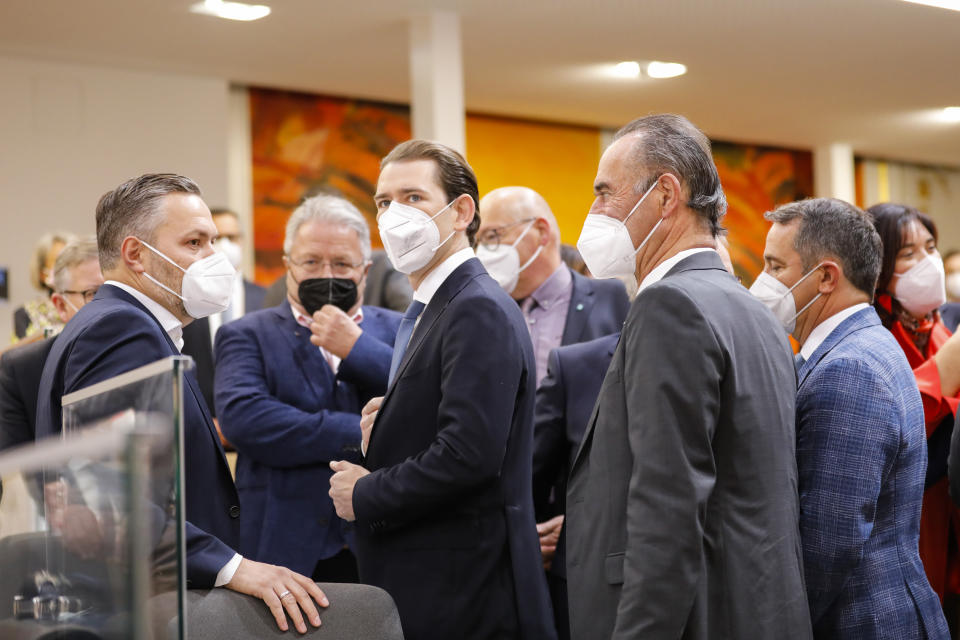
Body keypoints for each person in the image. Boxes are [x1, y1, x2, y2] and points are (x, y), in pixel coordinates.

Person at [34, 174, 328, 634]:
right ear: (136, 255)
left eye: (214, 240)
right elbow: (117, 497)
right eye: (195, 242)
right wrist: (234, 567)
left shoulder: (123, 324)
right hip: (141, 606)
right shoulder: (121, 329)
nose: (214, 257)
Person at [565, 114, 811, 639]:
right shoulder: (752, 310)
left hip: (694, 617)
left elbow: (668, 506)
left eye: (605, 193)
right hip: (756, 608)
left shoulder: (668, 305)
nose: (594, 212)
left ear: (665, 194)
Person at [327, 140, 555, 640]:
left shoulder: (475, 307)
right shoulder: (439, 306)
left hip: (466, 591)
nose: (393, 216)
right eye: (384, 202)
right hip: (439, 583)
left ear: (461, 212)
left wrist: (364, 491)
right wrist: (389, 427)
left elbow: (468, 456)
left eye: (413, 198)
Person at [753, 198, 948, 637]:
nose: (763, 282)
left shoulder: (850, 368)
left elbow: (829, 543)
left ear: (825, 276)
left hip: (864, 621)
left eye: (775, 266)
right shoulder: (856, 347)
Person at [214, 194, 400, 582]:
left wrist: (358, 349)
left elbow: (425, 399)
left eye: (342, 263)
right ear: (288, 266)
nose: (327, 273)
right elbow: (247, 421)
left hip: (385, 539)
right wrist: (366, 430)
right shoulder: (245, 334)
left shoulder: (404, 330)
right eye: (312, 262)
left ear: (365, 270)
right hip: (283, 549)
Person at [866, 203, 960, 606]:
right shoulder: (870, 338)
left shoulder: (940, 328)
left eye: (931, 247)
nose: (928, 262)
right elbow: (901, 423)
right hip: (904, 527)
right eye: (908, 253)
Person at [475, 186, 629, 385]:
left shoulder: (614, 298)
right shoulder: (486, 311)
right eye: (477, 241)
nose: (482, 250)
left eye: (492, 236)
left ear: (541, 232)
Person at [181, 207, 266, 420]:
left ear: (242, 241)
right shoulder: (184, 302)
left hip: (255, 423)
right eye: (217, 238)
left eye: (232, 237)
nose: (225, 245)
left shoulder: (266, 299)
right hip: (200, 421)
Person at [12, 231, 74, 342]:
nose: (66, 268)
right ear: (42, 272)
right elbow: (18, 356)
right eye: (59, 262)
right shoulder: (25, 314)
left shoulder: (88, 306)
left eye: (71, 261)